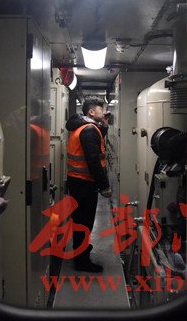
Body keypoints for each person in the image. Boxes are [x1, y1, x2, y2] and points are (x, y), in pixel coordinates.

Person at [65, 96, 112, 272]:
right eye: (101, 109)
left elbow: (95, 145)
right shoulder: (89, 130)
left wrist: (104, 126)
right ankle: (82, 261)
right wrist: (104, 185)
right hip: (84, 183)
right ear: (91, 112)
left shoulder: (85, 127)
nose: (105, 112)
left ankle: (82, 251)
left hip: (78, 181)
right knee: (84, 222)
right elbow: (93, 161)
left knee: (81, 220)